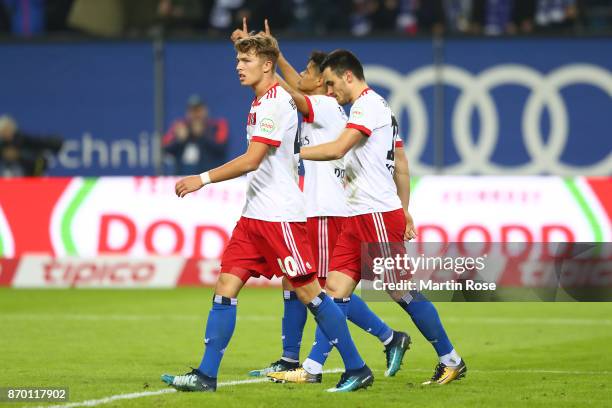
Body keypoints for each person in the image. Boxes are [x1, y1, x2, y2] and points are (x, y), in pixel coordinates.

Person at [160, 32, 374, 393]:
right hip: (253, 216)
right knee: (225, 287)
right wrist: (248, 42)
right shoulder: (261, 100)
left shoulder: (276, 103)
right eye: (238, 60)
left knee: (311, 294)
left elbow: (252, 159)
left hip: (279, 217)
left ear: (267, 65)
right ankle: (206, 375)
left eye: (246, 61)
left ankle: (357, 367)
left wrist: (202, 178)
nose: (238, 67)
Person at [270, 49, 467, 386]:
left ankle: (451, 359)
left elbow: (336, 149)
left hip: (375, 214)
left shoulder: (367, 106)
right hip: (357, 214)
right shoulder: (381, 109)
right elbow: (401, 163)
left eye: (332, 83)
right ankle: (314, 368)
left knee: (400, 291)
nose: (330, 91)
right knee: (334, 290)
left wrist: (290, 153)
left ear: (349, 76)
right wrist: (405, 209)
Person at [242, 20, 410, 382]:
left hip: (328, 211)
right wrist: (265, 56)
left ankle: (330, 357)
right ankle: (296, 359)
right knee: (305, 284)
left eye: (307, 71)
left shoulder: (326, 106)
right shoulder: (317, 106)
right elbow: (293, 89)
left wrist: (270, 60)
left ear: (322, 81)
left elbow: (293, 91)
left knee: (321, 291)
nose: (300, 75)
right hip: (315, 209)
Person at [163, 95, 228, 175]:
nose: (196, 115)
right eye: (192, 111)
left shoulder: (216, 126)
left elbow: (221, 148)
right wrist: (180, 140)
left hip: (210, 179)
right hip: (183, 178)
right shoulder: (181, 127)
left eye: (198, 110)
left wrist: (203, 135)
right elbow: (165, 148)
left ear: (205, 110)